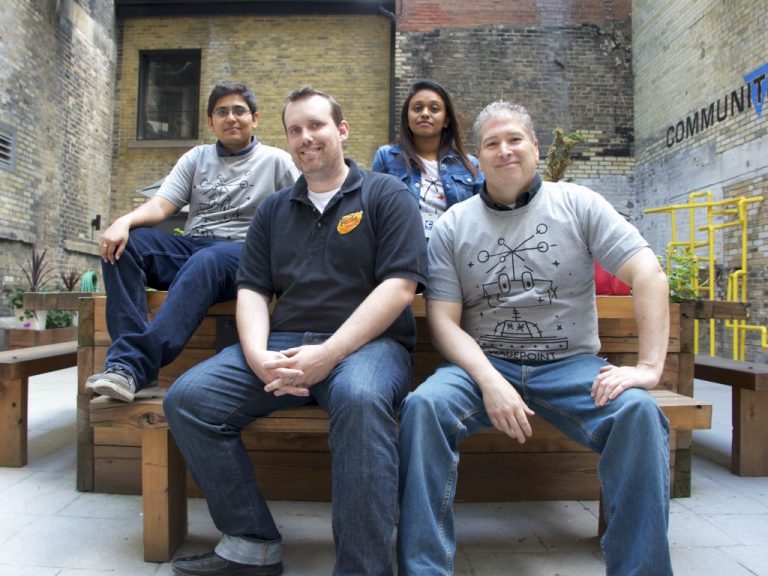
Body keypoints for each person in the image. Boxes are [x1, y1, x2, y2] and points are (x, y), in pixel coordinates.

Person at [397, 101, 672, 576]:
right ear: (476, 158)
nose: (504, 151)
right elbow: (443, 320)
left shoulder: (579, 204)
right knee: (424, 407)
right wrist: (488, 380)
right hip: (486, 366)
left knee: (639, 414)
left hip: (572, 368)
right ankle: (424, 570)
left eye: (515, 139)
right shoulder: (452, 225)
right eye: (491, 144)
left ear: (535, 147)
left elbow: (648, 274)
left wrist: (649, 369)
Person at [164, 86, 428, 576]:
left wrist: (328, 353)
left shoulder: (385, 194)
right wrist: (258, 354)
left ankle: (363, 568)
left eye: (317, 125)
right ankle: (251, 544)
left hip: (368, 346)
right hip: (284, 345)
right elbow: (251, 292)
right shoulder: (273, 210)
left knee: (361, 400)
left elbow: (399, 287)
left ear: (342, 130)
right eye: (295, 130)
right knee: (189, 400)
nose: (306, 138)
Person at [85, 81, 299, 403]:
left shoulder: (277, 161)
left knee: (207, 260)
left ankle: (132, 367)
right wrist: (123, 222)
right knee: (125, 247)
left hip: (245, 253)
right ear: (210, 122)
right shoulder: (196, 158)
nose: (231, 118)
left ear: (254, 118)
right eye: (221, 112)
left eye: (239, 111)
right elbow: (161, 206)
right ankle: (123, 367)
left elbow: (303, 213)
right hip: (195, 245)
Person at [371, 79, 482, 238]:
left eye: (434, 109)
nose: (424, 113)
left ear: (446, 120)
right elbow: (373, 210)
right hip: (402, 253)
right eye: (417, 108)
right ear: (407, 118)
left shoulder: (469, 164)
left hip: (453, 254)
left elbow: (480, 216)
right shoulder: (386, 156)